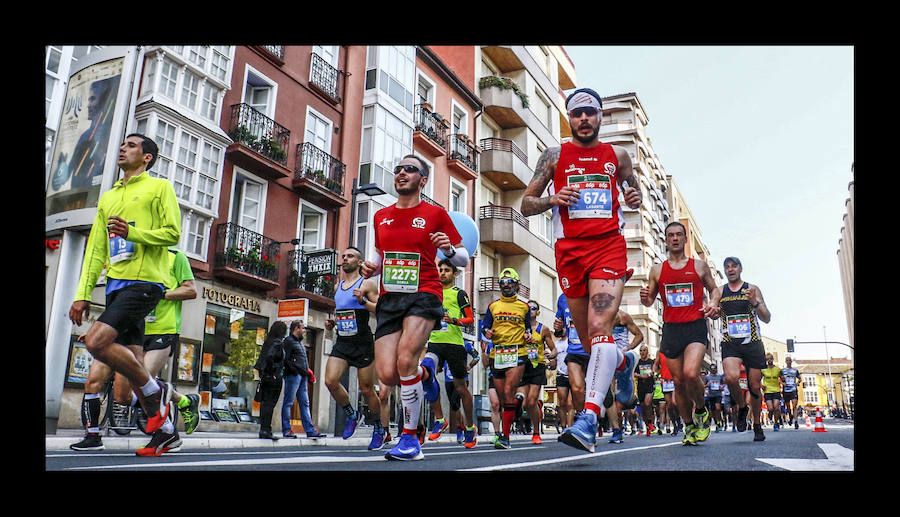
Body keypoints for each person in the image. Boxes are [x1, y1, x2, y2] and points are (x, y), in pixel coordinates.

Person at [521, 87, 642, 454]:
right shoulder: (555, 155)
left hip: (608, 247)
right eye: (577, 114)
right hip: (570, 253)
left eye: (590, 112)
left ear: (600, 116)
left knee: (601, 330)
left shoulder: (617, 156)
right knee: (592, 345)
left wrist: (635, 197)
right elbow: (526, 205)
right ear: (569, 119)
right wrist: (551, 199)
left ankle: (589, 418)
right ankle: (624, 361)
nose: (584, 119)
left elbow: (633, 193)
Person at [68, 134, 181, 453]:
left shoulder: (159, 188)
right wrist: (82, 293)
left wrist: (133, 232)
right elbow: (95, 251)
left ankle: (156, 393)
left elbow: (173, 232)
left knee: (95, 341)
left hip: (146, 283)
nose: (122, 148)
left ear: (147, 157)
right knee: (134, 367)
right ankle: (166, 430)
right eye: (122, 144)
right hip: (116, 287)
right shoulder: (109, 197)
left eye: (132, 145)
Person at [361, 155, 467, 461]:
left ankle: (409, 439)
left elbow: (462, 259)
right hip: (390, 298)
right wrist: (372, 268)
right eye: (398, 169)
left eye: (409, 169)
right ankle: (427, 372)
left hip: (424, 292)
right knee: (388, 375)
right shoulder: (382, 217)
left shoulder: (435, 214)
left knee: (406, 357)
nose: (401, 173)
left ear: (422, 179)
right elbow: (383, 256)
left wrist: (447, 248)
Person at [640, 221, 721, 446]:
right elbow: (648, 301)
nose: (675, 238)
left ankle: (702, 411)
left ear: (685, 239)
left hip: (694, 326)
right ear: (666, 240)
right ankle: (689, 426)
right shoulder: (657, 270)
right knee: (678, 383)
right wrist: (644, 297)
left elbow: (714, 289)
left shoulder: (699, 266)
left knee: (690, 373)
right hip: (671, 330)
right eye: (671, 235)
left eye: (679, 235)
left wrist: (713, 302)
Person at [324, 247, 386, 449]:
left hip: (362, 341)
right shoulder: (338, 286)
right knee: (330, 381)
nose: (344, 259)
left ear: (360, 263)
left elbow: (381, 309)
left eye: (349, 256)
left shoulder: (367, 283)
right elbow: (340, 310)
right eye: (343, 256)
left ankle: (378, 428)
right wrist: (333, 323)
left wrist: (364, 300)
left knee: (367, 390)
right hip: (342, 340)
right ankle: (353, 414)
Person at [713, 256, 771, 442]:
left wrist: (755, 302)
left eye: (734, 266)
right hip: (730, 342)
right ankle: (741, 406)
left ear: (740, 268)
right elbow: (713, 310)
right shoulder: (720, 291)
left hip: (752, 342)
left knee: (754, 387)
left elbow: (767, 317)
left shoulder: (751, 289)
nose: (730, 269)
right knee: (730, 377)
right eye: (727, 267)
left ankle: (756, 425)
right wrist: (712, 311)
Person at [423, 258, 478, 448]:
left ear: (455, 274)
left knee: (461, 388)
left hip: (455, 344)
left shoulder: (459, 293)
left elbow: (470, 319)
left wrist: (454, 320)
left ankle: (470, 427)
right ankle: (440, 420)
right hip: (435, 342)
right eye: (440, 269)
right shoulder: (432, 293)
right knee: (426, 374)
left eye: (447, 270)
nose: (442, 273)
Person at [480, 268, 533, 449]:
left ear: (517, 285)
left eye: (510, 282)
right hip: (498, 354)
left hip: (518, 353)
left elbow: (528, 329)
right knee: (503, 399)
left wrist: (527, 335)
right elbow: (485, 327)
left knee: (509, 390)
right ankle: (516, 405)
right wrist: (487, 332)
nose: (506, 285)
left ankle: (505, 436)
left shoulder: (524, 307)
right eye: (503, 282)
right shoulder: (493, 306)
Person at [519, 300, 556, 445]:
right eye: (528, 308)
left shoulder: (543, 329)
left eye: (533, 308)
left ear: (538, 312)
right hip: (521, 365)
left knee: (531, 400)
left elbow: (553, 349)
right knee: (523, 401)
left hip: (537, 366)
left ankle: (536, 432)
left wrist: (551, 355)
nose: (530, 310)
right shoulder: (519, 328)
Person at [281, 320, 327, 439]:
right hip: (293, 376)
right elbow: (285, 359)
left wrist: (307, 372)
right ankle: (287, 430)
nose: (304, 330)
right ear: (296, 328)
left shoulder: (299, 343)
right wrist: (295, 370)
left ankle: (310, 430)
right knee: (288, 402)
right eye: (302, 328)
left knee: (304, 403)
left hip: (302, 376)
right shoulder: (289, 341)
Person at [607, 310, 643, 444]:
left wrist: (628, 348)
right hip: (606, 357)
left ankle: (627, 368)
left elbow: (639, 335)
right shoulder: (597, 316)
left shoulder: (623, 317)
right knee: (608, 397)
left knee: (620, 401)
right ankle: (617, 430)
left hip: (622, 358)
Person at [254, 321, 287, 439]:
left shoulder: (268, 342)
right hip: (273, 376)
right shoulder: (277, 343)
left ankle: (264, 429)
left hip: (266, 376)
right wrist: (272, 372)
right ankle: (266, 430)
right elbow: (270, 357)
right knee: (270, 403)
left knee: (265, 403)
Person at [551, 311, 574, 429]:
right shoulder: (556, 344)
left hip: (573, 375)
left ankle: (570, 427)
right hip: (561, 374)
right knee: (562, 403)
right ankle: (564, 426)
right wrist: (550, 358)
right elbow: (553, 362)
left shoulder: (572, 341)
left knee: (571, 403)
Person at [653, 352, 679, 435]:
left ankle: (678, 419)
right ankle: (675, 424)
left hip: (674, 379)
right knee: (669, 405)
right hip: (665, 381)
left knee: (674, 402)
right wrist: (655, 373)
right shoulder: (660, 352)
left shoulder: (675, 349)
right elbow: (655, 365)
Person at [634, 344, 656, 436]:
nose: (642, 352)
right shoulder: (637, 363)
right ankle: (647, 425)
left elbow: (655, 371)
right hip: (641, 387)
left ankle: (650, 423)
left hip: (650, 386)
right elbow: (634, 373)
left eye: (644, 350)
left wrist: (652, 374)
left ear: (647, 351)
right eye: (641, 351)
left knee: (647, 403)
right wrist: (641, 376)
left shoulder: (651, 362)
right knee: (643, 407)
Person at [761, 353, 784, 431]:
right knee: (770, 408)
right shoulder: (763, 369)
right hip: (767, 391)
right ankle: (772, 415)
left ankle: (776, 423)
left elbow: (782, 378)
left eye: (770, 359)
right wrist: (761, 386)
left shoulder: (778, 369)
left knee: (776, 407)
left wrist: (784, 380)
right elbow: (758, 379)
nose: (769, 361)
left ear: (773, 359)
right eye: (767, 359)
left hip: (776, 390)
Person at [780, 356, 802, 429]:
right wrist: (782, 383)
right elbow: (778, 379)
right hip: (786, 390)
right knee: (788, 406)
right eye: (787, 360)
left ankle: (796, 422)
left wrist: (797, 383)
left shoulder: (795, 370)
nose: (789, 362)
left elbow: (800, 378)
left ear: (791, 361)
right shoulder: (782, 370)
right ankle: (790, 415)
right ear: (785, 362)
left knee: (794, 405)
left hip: (793, 389)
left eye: (790, 360)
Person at [704, 363, 726, 432]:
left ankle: (719, 422)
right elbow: (703, 385)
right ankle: (717, 422)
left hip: (718, 394)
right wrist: (707, 387)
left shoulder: (719, 376)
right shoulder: (707, 377)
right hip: (710, 395)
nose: (713, 371)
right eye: (712, 370)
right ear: (710, 370)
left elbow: (724, 383)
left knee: (718, 408)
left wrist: (722, 387)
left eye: (714, 369)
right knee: (712, 411)